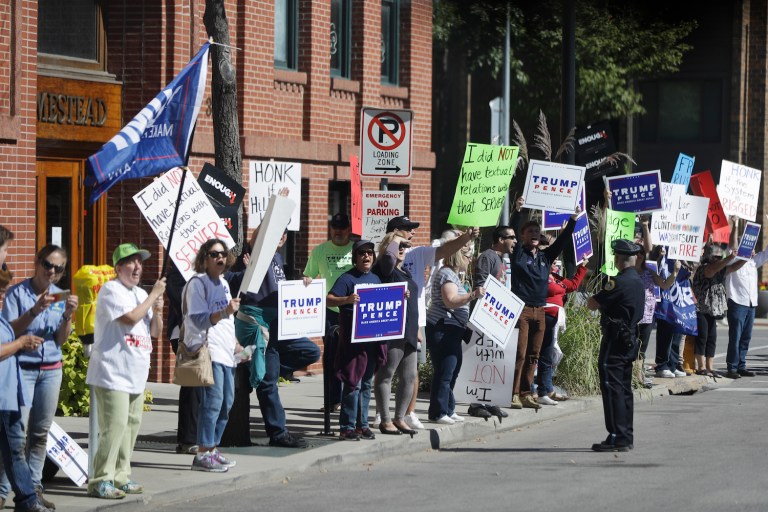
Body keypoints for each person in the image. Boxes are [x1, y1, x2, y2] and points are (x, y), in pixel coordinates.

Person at [0, 246, 78, 509]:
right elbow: (8, 331)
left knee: (40, 434)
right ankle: (2, 490)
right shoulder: (17, 293)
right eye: (47, 264)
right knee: (14, 436)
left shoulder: (59, 296)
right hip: (22, 369)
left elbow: (60, 339)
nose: (52, 272)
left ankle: (34, 489)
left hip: (50, 370)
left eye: (58, 268)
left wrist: (68, 315)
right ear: (37, 263)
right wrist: (34, 310)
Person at [85, 243, 165, 499]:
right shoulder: (111, 290)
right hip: (112, 371)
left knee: (130, 426)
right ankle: (100, 479)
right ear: (118, 267)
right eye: (131, 262)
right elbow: (129, 319)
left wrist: (158, 309)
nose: (137, 267)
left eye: (140, 262)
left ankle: (120, 476)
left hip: (136, 373)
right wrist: (153, 296)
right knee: (114, 425)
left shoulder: (142, 294)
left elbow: (154, 331)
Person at [388, 216, 479, 430]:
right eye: (406, 229)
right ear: (393, 232)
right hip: (389, 318)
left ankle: (408, 413)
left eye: (412, 229)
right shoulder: (384, 254)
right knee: (385, 370)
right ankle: (380, 415)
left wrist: (466, 236)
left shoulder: (418, 253)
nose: (411, 232)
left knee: (413, 369)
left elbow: (445, 251)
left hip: (416, 320)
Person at [232, 226, 320, 448]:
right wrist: (274, 209)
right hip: (257, 323)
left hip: (279, 324)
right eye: (276, 230)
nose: (280, 236)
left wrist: (303, 285)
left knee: (311, 351)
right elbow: (258, 237)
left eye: (283, 232)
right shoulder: (258, 254)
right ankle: (278, 433)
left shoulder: (278, 258)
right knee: (266, 382)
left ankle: (260, 367)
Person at [509, 199, 578, 410]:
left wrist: (573, 220)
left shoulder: (546, 257)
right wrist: (518, 211)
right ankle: (513, 393)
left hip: (540, 310)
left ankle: (526, 393)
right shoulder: (518, 253)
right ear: (522, 236)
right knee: (520, 353)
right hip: (521, 309)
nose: (534, 234)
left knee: (533, 354)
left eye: (537, 231)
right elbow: (513, 229)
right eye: (529, 231)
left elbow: (562, 241)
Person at [0, 225, 50, 512]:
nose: (7, 255)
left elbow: (10, 329)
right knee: (15, 450)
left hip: (7, 392)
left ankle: (27, 499)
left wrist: (33, 313)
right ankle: (28, 500)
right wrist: (19, 344)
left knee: (11, 450)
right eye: (5, 249)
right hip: (3, 394)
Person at [184, 239, 242, 473]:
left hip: (227, 351)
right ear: (204, 258)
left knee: (227, 402)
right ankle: (202, 453)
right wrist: (224, 311)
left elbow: (229, 321)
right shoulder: (198, 283)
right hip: (209, 349)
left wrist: (236, 343)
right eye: (214, 254)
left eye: (223, 254)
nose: (220, 258)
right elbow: (198, 319)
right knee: (212, 402)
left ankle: (211, 449)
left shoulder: (224, 284)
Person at [587, 239, 645, 452]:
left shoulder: (618, 282)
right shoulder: (638, 281)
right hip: (630, 337)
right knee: (624, 388)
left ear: (617, 259)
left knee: (612, 387)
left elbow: (592, 303)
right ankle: (625, 435)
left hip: (616, 338)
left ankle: (617, 435)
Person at [327, 240, 386, 440]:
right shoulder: (347, 278)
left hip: (372, 341)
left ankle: (362, 425)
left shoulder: (376, 279)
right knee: (354, 383)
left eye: (369, 253)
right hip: (353, 342)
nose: (366, 257)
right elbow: (328, 299)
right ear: (355, 257)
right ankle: (347, 427)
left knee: (367, 383)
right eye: (361, 254)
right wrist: (347, 300)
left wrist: (401, 296)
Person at [425, 242, 484, 425]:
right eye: (467, 256)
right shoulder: (446, 274)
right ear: (458, 256)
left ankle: (448, 409)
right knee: (445, 370)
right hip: (443, 329)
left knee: (452, 370)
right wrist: (472, 295)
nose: (470, 260)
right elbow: (450, 300)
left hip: (452, 330)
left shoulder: (453, 275)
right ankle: (438, 412)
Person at [303, 212, 354, 409]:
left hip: (353, 309)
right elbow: (309, 275)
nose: (338, 231)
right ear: (331, 228)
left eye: (342, 227)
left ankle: (350, 401)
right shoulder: (320, 250)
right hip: (330, 310)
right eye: (335, 227)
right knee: (332, 355)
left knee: (352, 355)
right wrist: (307, 280)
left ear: (349, 229)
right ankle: (333, 400)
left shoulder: (357, 249)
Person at [372, 232, 419, 436]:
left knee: (409, 376)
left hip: (409, 331)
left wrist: (417, 330)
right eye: (398, 245)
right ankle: (385, 419)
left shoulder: (405, 273)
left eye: (404, 247)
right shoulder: (385, 269)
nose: (401, 249)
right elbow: (389, 258)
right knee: (386, 374)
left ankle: (400, 417)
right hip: (392, 330)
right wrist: (396, 239)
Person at [535, 255, 588, 405]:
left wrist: (582, 266)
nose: (556, 263)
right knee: (542, 353)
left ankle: (547, 389)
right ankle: (537, 389)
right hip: (544, 316)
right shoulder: (541, 275)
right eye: (553, 260)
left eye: (557, 260)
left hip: (554, 320)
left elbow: (572, 286)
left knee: (550, 353)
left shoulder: (556, 277)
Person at [724, 216, 768, 378]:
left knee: (746, 337)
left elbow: (766, 253)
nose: (751, 248)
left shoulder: (752, 262)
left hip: (751, 304)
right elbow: (732, 245)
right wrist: (735, 225)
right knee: (735, 336)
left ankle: (741, 365)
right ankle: (732, 367)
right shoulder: (733, 259)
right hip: (737, 302)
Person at [165, 262, 201, 454]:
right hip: (185, 334)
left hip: (207, 335)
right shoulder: (181, 270)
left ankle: (196, 437)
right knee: (192, 383)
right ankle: (188, 439)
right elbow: (179, 296)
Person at [692, 244, 743, 377]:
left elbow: (733, 267)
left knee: (712, 338)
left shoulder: (720, 268)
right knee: (702, 337)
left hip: (713, 309)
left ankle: (710, 367)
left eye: (721, 257)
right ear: (709, 257)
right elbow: (711, 271)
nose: (719, 259)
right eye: (716, 257)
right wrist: (729, 257)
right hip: (701, 307)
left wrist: (745, 258)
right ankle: (701, 366)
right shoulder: (704, 268)